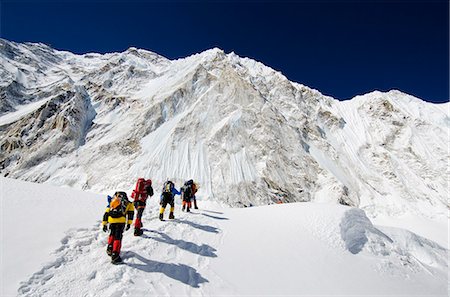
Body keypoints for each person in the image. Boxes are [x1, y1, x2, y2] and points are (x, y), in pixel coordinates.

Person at [102, 191, 134, 264]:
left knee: (112, 234)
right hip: (120, 222)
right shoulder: (128, 203)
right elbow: (130, 214)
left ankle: (110, 249)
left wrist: (104, 224)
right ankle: (115, 255)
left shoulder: (112, 201)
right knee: (118, 237)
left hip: (111, 221)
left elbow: (106, 213)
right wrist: (129, 224)